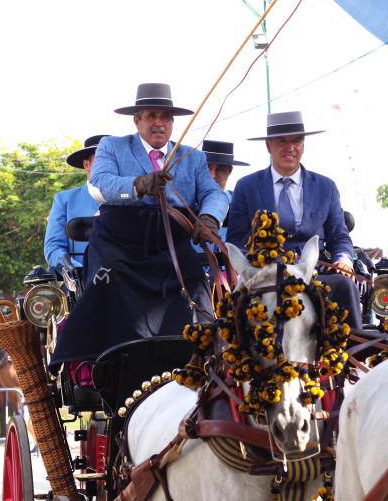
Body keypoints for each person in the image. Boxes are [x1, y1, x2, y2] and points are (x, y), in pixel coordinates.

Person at [51, 83, 228, 366]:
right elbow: (102, 181)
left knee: (198, 287)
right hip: (120, 245)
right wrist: (137, 184)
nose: (159, 123)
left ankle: (208, 356)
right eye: (151, 116)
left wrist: (208, 217)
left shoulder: (192, 157)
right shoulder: (113, 146)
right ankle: (102, 363)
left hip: (172, 245)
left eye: (166, 117)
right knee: (109, 281)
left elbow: (213, 193)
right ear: (137, 120)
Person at [227, 110, 362, 330]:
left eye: (296, 141)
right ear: (268, 145)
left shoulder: (326, 187)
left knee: (345, 285)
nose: (290, 147)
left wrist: (344, 259)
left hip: (315, 276)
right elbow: (237, 240)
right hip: (265, 279)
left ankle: (355, 358)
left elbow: (339, 235)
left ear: (303, 144)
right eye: (282, 141)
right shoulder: (247, 187)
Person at [43, 135, 106, 270]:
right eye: (102, 160)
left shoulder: (130, 198)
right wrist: (75, 269)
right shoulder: (64, 200)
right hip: (79, 283)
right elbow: (54, 247)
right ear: (87, 165)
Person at [202, 139, 248, 242]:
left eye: (220, 169)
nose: (212, 175)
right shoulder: (185, 204)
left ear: (229, 171)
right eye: (207, 168)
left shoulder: (242, 205)